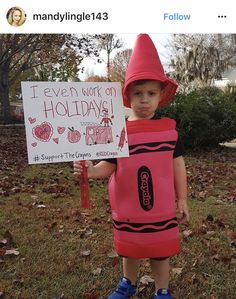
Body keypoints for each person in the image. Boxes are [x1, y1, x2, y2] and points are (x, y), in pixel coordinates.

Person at [74, 34, 190, 299]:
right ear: (128, 96)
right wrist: (89, 171)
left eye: (151, 93)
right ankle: (128, 283)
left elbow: (178, 166)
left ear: (161, 95)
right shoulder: (119, 131)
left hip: (160, 206)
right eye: (138, 93)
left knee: (160, 249)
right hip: (128, 206)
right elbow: (109, 166)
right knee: (130, 246)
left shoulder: (169, 131)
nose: (144, 99)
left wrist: (182, 198)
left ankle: (162, 290)